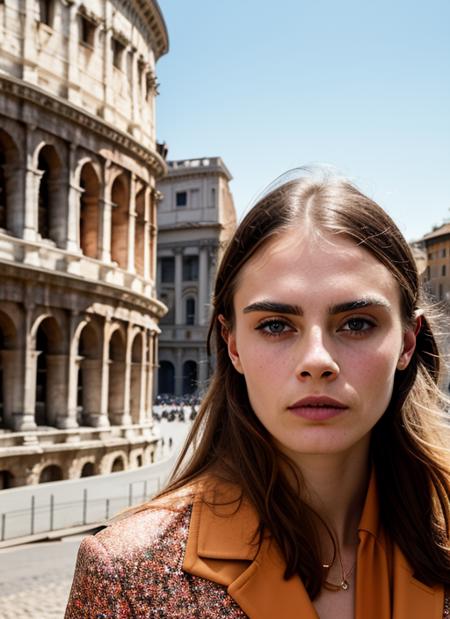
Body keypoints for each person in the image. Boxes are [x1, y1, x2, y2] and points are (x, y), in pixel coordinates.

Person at [65, 167, 450, 619]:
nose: (316, 360)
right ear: (233, 345)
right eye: (275, 325)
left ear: (407, 342)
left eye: (357, 323)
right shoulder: (126, 575)